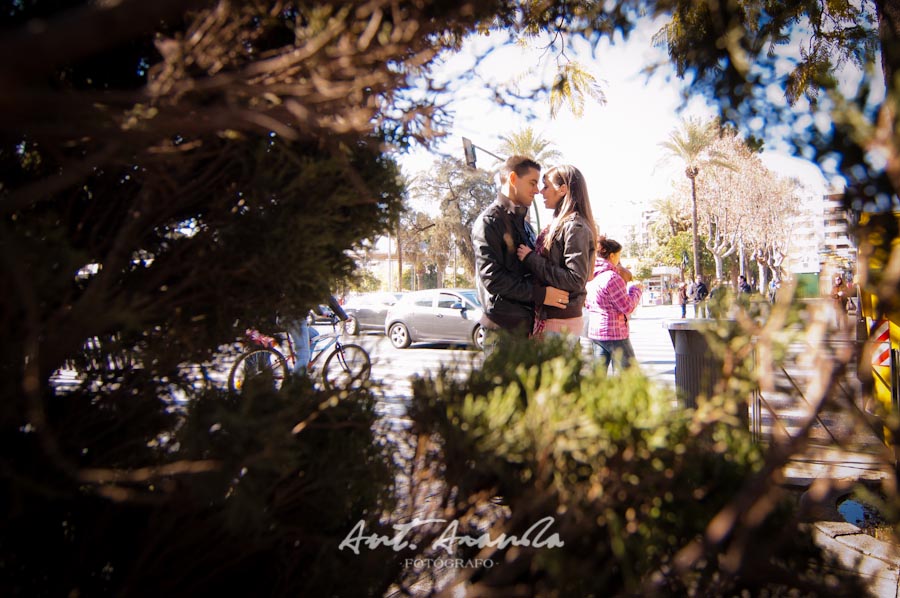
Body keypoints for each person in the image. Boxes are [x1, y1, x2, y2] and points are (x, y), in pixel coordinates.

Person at [472, 155, 570, 352]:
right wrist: (542, 295)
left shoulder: (524, 225)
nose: (537, 190)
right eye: (532, 183)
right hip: (503, 334)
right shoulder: (490, 222)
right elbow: (493, 279)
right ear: (513, 179)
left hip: (526, 331)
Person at [515, 164, 597, 337]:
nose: (541, 192)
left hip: (560, 324)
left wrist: (531, 258)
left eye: (546, 186)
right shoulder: (564, 224)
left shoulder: (575, 227)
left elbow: (575, 279)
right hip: (552, 321)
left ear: (563, 189)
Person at [585, 236, 643, 373]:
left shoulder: (591, 276)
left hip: (596, 332)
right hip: (615, 333)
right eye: (618, 255)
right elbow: (627, 306)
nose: (619, 260)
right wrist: (636, 290)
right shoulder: (612, 277)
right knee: (627, 377)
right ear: (611, 256)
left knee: (598, 378)